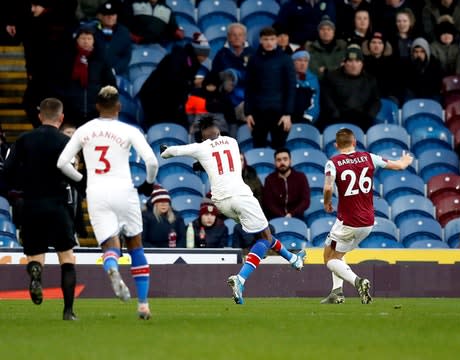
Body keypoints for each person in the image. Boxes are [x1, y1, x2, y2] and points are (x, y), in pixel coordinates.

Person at [160, 123, 306, 304]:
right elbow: (224, 159)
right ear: (218, 132)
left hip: (221, 202)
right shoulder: (232, 141)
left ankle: (293, 259)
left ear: (203, 136)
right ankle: (241, 279)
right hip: (240, 195)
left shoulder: (201, 146)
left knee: (264, 232)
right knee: (266, 238)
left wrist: (164, 151)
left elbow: (171, 152)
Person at [57, 86, 159, 319]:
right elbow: (151, 161)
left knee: (109, 244)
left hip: (97, 191)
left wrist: (81, 181)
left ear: (97, 106)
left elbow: (63, 162)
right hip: (124, 189)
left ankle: (112, 265)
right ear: (119, 107)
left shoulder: (85, 130)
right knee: (135, 245)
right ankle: (143, 304)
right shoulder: (128, 130)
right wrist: (149, 183)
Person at [3, 98, 78, 320]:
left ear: (39, 116)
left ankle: (36, 273)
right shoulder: (65, 142)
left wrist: (16, 191)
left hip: (31, 204)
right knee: (67, 258)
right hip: (57, 204)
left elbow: (6, 172)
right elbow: (72, 173)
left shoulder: (24, 140)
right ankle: (68, 311)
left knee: (35, 256)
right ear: (61, 118)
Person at [321, 128, 413, 304]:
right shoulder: (369, 157)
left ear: (336, 145)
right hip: (368, 221)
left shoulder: (333, 162)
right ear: (354, 142)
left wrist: (326, 202)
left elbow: (327, 187)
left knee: (329, 258)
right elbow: (399, 166)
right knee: (339, 254)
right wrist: (405, 161)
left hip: (348, 221)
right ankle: (337, 293)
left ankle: (358, 282)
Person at [244, 26, 296, 149]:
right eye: (266, 39)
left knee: (279, 149)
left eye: (272, 39)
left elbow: (291, 87)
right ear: (261, 40)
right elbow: (249, 87)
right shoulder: (254, 60)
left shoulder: (285, 59)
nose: (269, 42)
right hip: (258, 113)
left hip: (280, 113)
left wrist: (288, 113)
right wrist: (248, 112)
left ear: (277, 40)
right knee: (258, 148)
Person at [263, 148, 311, 220]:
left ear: (290, 160)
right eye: (279, 160)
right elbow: (269, 203)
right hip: (275, 218)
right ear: (275, 162)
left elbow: (305, 201)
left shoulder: (301, 177)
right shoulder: (269, 179)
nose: (282, 162)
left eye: (285, 159)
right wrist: (282, 216)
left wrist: (291, 214)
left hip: (297, 217)